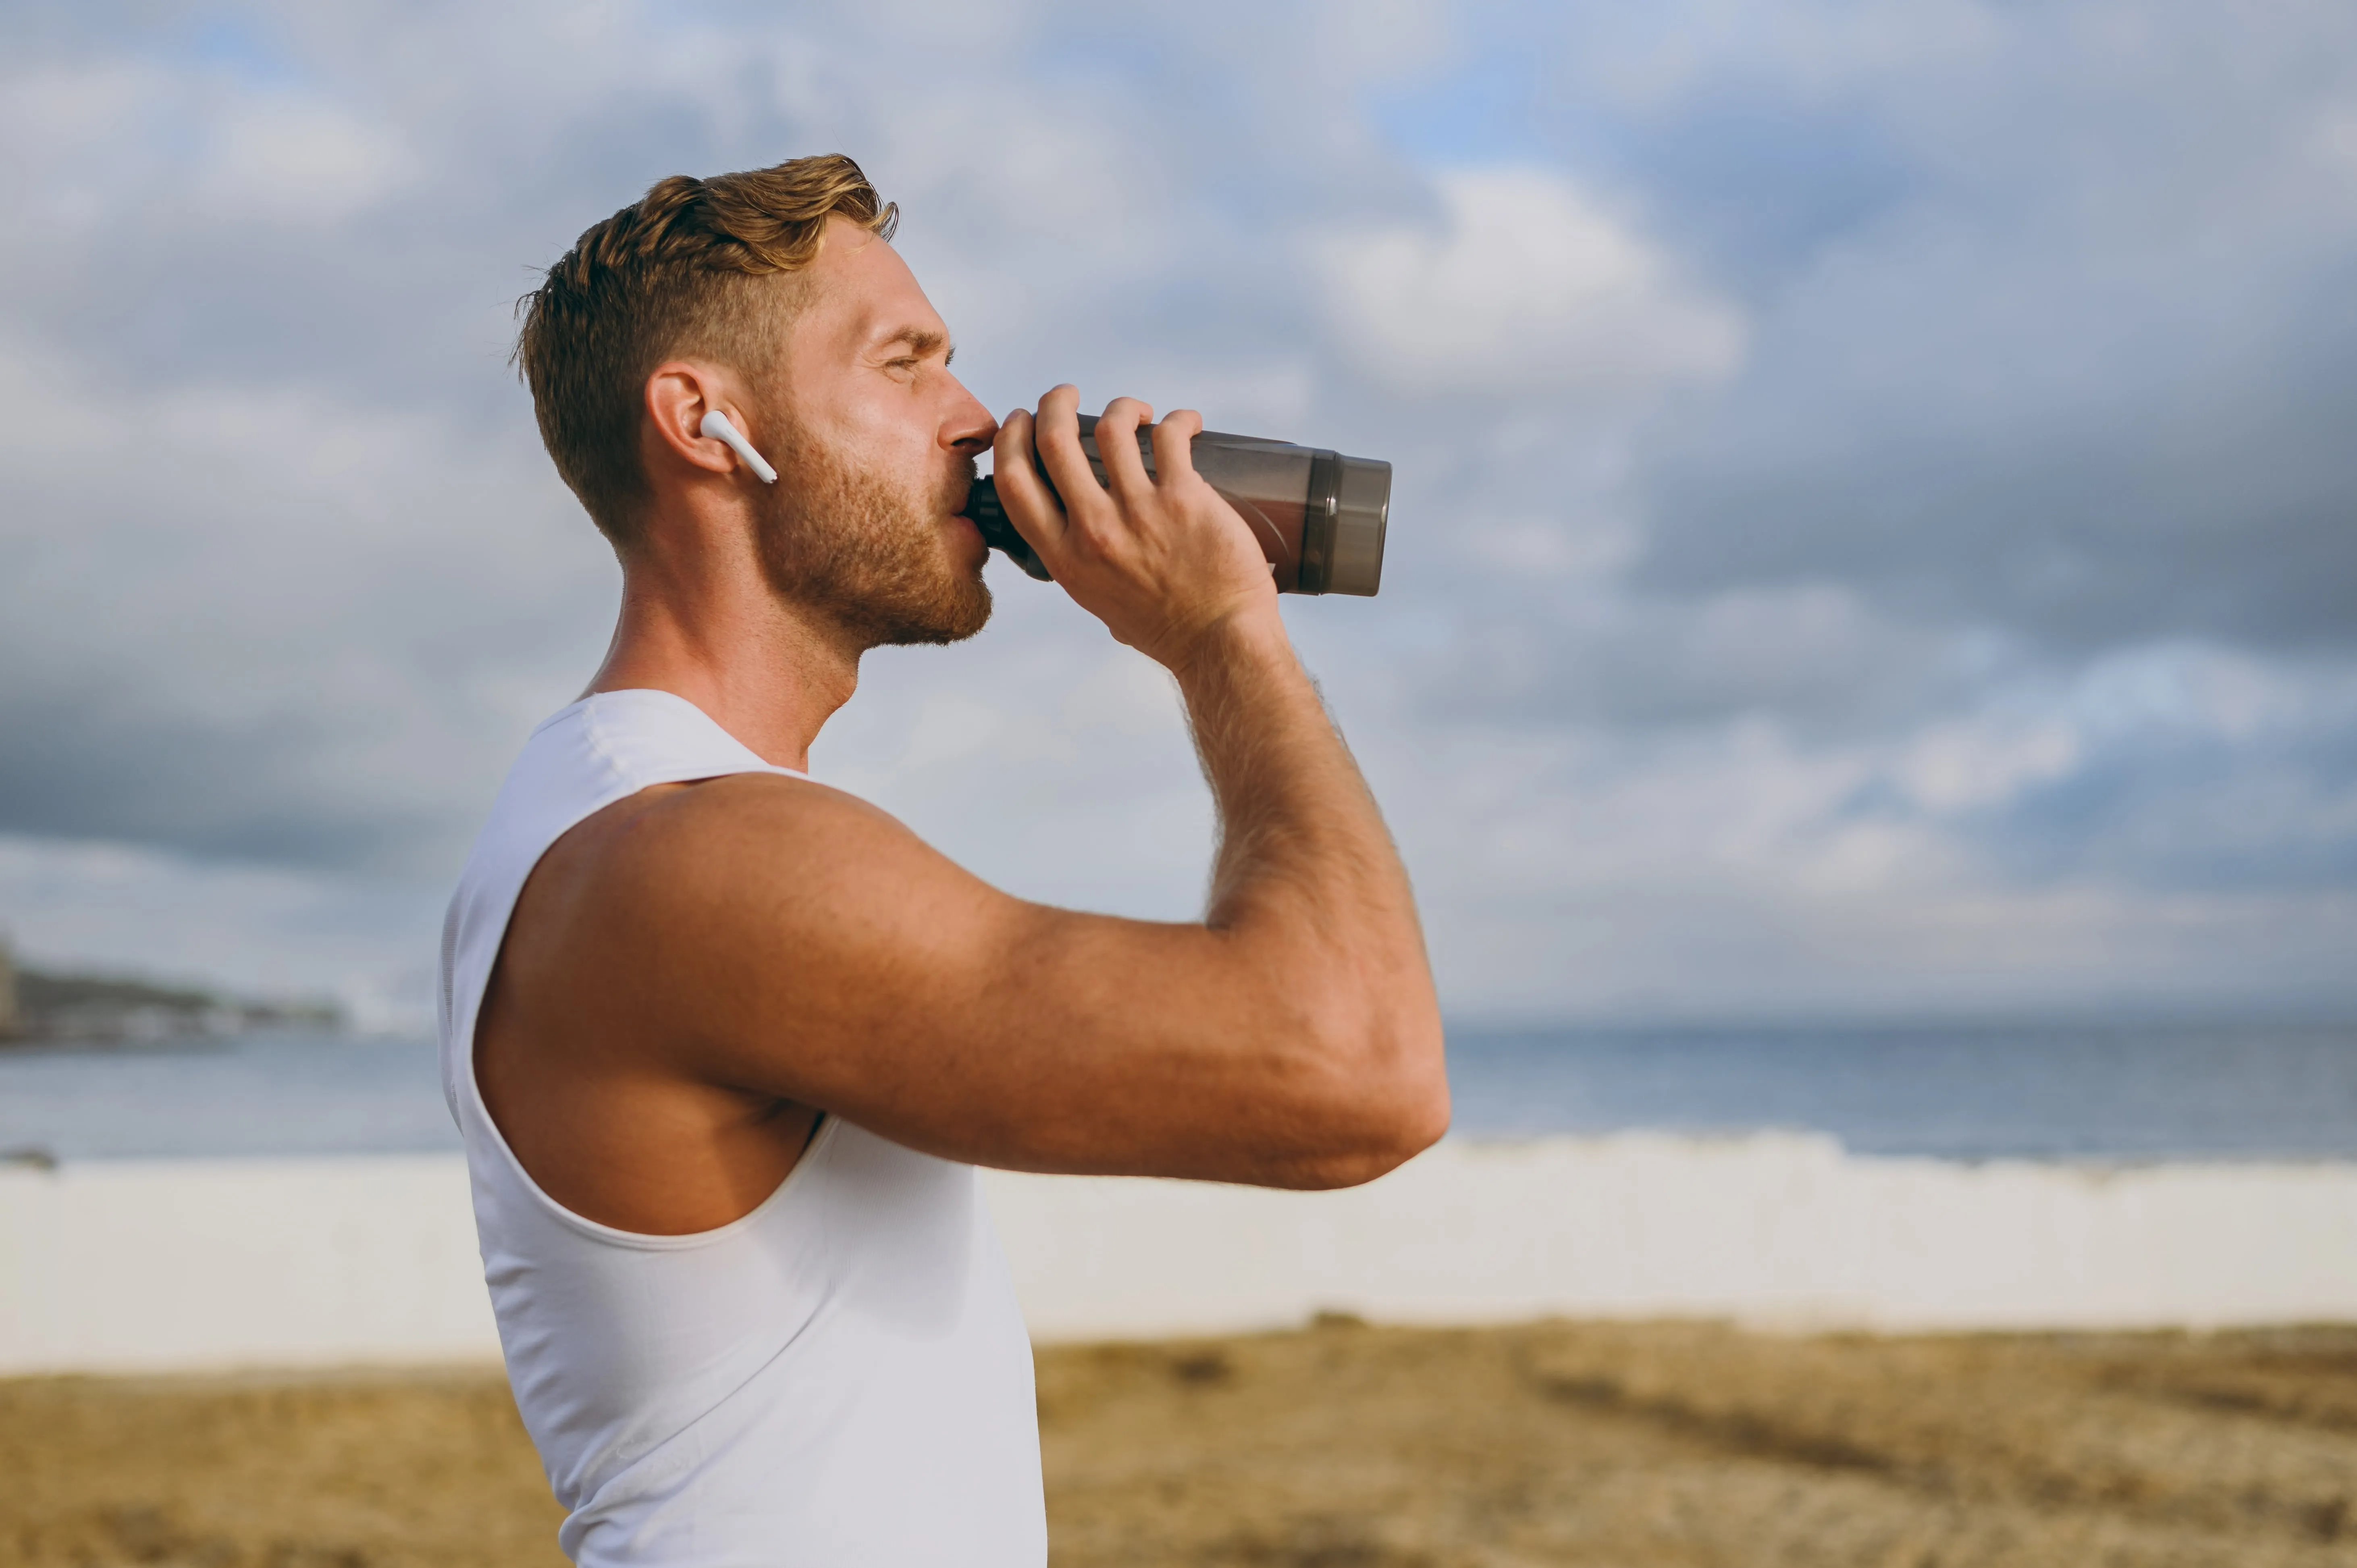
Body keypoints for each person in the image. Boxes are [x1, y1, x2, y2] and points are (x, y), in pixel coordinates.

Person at [438, 153, 1448, 1568]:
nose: (975, 418)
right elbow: (1361, 1069)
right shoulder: (690, 858)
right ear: (706, 422)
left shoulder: (625, 816)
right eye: (906, 362)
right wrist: (1222, 634)